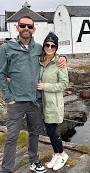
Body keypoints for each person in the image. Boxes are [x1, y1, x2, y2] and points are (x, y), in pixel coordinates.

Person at [0, 16, 67, 173]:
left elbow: (52, 55)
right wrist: (8, 97)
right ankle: (6, 169)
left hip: (35, 101)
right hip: (16, 102)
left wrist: (63, 58)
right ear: (17, 28)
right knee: (12, 136)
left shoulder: (38, 48)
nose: (26, 29)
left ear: (34, 29)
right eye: (23, 26)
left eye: (29, 26)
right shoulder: (6, 48)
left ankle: (34, 161)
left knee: (34, 133)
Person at [37, 32, 69, 171]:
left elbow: (64, 84)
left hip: (54, 104)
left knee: (52, 132)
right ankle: (56, 154)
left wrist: (46, 86)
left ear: (56, 48)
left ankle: (62, 154)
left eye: (53, 46)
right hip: (42, 104)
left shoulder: (60, 63)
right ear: (44, 46)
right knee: (49, 132)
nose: (49, 47)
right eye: (47, 45)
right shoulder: (40, 61)